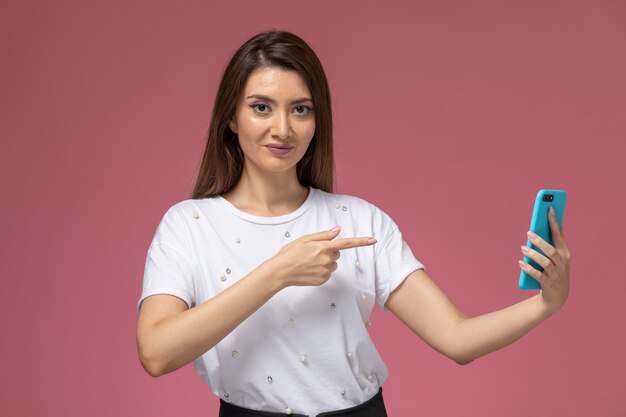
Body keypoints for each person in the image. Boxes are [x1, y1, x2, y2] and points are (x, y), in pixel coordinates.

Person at [136, 30, 571, 417]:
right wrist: (278, 273)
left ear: (317, 120)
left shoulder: (359, 220)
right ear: (232, 118)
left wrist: (544, 305)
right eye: (261, 107)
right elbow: (155, 353)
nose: (282, 128)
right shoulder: (189, 225)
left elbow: (457, 339)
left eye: (301, 109)